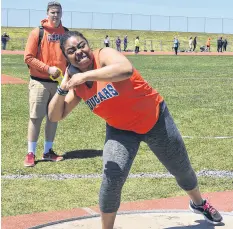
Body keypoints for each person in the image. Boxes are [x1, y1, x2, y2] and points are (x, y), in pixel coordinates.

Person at [48, 31, 223, 229]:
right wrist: (64, 87)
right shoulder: (78, 86)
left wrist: (83, 75)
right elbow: (55, 116)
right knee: (112, 178)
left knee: (181, 169)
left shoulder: (103, 55)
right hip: (120, 131)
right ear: (67, 58)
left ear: (89, 45)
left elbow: (125, 69)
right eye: (71, 51)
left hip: (155, 120)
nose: (79, 52)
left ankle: (198, 203)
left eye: (81, 45)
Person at [23, 1, 66, 167]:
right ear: (47, 14)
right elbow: (28, 57)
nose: (55, 15)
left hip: (58, 85)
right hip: (39, 82)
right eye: (53, 12)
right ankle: (30, 153)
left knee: (53, 118)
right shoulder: (37, 33)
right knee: (35, 118)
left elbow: (69, 57)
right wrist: (47, 69)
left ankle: (48, 151)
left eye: (58, 12)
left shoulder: (66, 34)